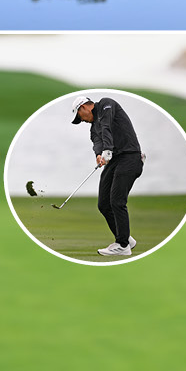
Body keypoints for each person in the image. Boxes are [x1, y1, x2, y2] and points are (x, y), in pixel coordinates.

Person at [69, 95, 144, 257]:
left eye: (80, 117)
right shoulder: (92, 128)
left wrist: (107, 149)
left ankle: (122, 245)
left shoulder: (106, 104)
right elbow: (97, 141)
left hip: (130, 157)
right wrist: (99, 154)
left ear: (84, 107)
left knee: (117, 201)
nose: (82, 120)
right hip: (115, 160)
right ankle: (126, 239)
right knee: (103, 204)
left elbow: (106, 126)